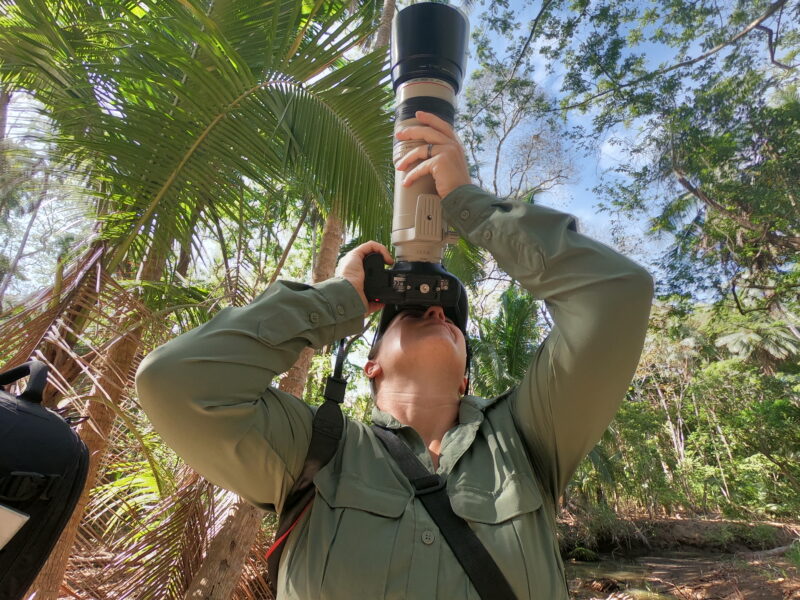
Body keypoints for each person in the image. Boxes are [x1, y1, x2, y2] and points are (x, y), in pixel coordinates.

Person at [136, 110, 654, 599]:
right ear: (371, 365)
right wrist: (339, 299)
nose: (437, 311)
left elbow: (615, 294)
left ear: (466, 379)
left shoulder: (526, 438)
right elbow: (175, 381)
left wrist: (471, 205)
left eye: (450, 319)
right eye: (408, 312)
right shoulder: (315, 451)